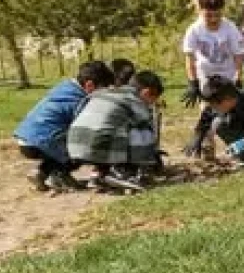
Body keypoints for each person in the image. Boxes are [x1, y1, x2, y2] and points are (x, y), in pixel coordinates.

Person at [13, 60, 115, 191]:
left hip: (26, 139)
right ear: (90, 85)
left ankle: (40, 173)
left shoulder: (65, 87)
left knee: (60, 145)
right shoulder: (80, 100)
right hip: (42, 140)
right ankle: (59, 176)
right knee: (82, 147)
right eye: (103, 89)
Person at [67, 70, 165, 190]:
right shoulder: (135, 101)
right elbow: (145, 132)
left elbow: (79, 112)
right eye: (153, 99)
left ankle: (100, 174)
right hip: (98, 143)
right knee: (141, 131)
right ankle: (120, 172)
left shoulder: (104, 92)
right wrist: (150, 159)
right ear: (146, 93)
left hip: (74, 143)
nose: (152, 104)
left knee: (112, 126)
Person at [183, 0, 244, 157]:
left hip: (227, 74)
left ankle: (239, 147)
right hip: (206, 75)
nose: (213, 19)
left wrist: (238, 77)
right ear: (200, 10)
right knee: (207, 110)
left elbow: (238, 55)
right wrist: (193, 83)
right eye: (208, 15)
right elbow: (189, 58)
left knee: (231, 112)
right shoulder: (194, 30)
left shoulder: (230, 27)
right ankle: (207, 146)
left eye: (217, 15)